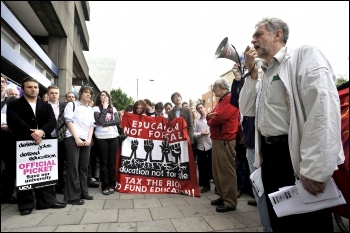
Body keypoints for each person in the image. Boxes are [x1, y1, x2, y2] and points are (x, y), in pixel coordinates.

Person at [239, 17, 344, 232]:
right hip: (270, 159)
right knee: (281, 222)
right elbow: (246, 109)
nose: (253, 40)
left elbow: (322, 111)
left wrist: (315, 169)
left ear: (277, 34)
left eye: (258, 34)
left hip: (294, 157)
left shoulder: (304, 56)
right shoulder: (263, 73)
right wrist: (251, 73)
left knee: (309, 223)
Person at [6, 76, 66, 215]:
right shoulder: (14, 104)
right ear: (23, 89)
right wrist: (31, 133)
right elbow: (13, 121)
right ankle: (26, 204)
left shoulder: (46, 105)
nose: (33, 89)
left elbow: (52, 121)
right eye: (30, 87)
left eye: (36, 87)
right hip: (24, 143)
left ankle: (47, 201)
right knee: (26, 174)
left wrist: (42, 132)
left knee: (45, 173)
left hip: (44, 143)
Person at [230, 65, 272, 232]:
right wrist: (239, 79)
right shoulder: (248, 82)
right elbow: (237, 102)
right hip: (251, 140)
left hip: (267, 140)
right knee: (259, 186)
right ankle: (266, 226)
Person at [207, 78, 240, 212]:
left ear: (220, 87)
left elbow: (219, 118)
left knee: (226, 172)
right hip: (218, 139)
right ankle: (222, 196)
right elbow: (210, 116)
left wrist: (211, 118)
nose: (213, 90)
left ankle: (230, 201)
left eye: (214, 88)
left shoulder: (230, 99)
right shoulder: (221, 100)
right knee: (217, 171)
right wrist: (210, 116)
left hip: (225, 139)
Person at [64, 86, 95, 205]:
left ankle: (83, 192)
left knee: (83, 167)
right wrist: (76, 138)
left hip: (86, 139)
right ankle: (72, 197)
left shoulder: (90, 109)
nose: (88, 95)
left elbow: (92, 125)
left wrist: (88, 138)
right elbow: (68, 121)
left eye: (90, 93)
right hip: (72, 138)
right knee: (73, 167)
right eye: (86, 92)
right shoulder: (71, 105)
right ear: (80, 93)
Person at [93, 91, 120, 195]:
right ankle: (105, 185)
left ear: (109, 98)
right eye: (102, 95)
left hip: (113, 137)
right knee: (103, 163)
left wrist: (104, 123)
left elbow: (117, 121)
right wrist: (104, 108)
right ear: (99, 98)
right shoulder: (95, 109)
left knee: (111, 163)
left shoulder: (114, 109)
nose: (104, 97)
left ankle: (112, 184)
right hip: (101, 138)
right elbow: (99, 121)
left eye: (106, 95)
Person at [1, 74, 18, 204]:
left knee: (10, 168)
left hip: (8, 138)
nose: (1, 84)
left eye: (2, 82)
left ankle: (7, 195)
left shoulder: (12, 101)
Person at [194, 102, 212, 193]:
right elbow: (194, 133)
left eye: (201, 107)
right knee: (202, 167)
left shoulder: (211, 119)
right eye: (198, 108)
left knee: (213, 166)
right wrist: (201, 133)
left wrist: (209, 132)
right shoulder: (197, 122)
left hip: (211, 145)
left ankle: (217, 186)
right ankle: (206, 185)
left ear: (204, 108)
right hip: (201, 146)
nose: (200, 109)